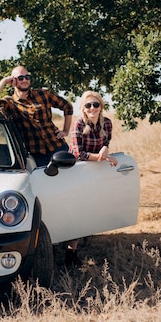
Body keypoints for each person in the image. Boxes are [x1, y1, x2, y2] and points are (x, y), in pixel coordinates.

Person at [64, 91, 118, 267]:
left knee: (90, 209)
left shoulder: (107, 123)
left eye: (95, 104)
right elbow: (78, 153)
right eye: (88, 105)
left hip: (95, 171)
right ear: (83, 109)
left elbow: (106, 143)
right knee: (77, 211)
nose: (92, 108)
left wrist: (106, 150)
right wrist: (102, 157)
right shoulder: (79, 124)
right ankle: (70, 253)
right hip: (77, 171)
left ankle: (83, 239)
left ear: (101, 106)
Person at [0, 65, 73, 167]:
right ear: (13, 81)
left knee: (68, 180)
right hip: (36, 155)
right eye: (20, 78)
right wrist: (4, 81)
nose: (25, 80)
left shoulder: (43, 94)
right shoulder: (10, 102)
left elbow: (67, 107)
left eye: (27, 77)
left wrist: (66, 130)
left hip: (58, 147)